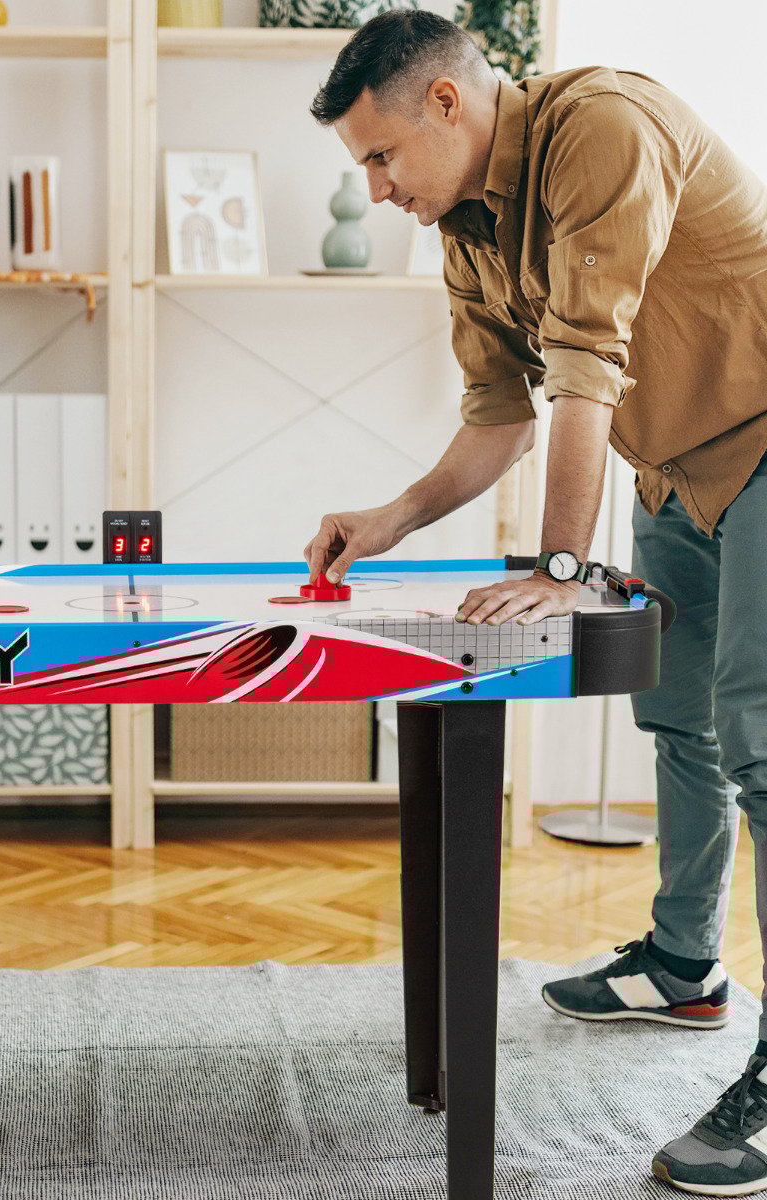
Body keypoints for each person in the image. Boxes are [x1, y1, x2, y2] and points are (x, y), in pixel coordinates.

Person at [304, 9, 767, 1194]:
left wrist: (558, 567)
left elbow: (584, 363)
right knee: (678, 723)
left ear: (447, 105)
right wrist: (390, 518)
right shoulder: (466, 228)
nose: (376, 185)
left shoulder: (600, 128)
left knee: (760, 741)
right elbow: (500, 416)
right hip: (673, 466)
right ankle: (682, 966)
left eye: (381, 156)